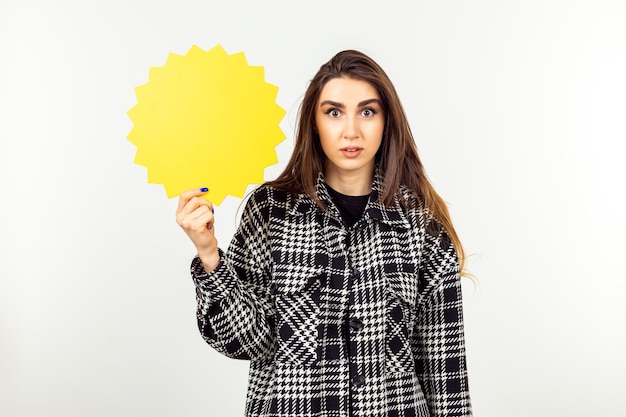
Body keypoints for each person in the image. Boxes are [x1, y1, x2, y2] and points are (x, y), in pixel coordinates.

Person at [176, 49, 472, 417]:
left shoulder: (420, 224)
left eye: (368, 111)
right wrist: (209, 255)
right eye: (334, 112)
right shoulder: (271, 211)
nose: (351, 130)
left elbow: (447, 375)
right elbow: (242, 340)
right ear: (314, 122)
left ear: (387, 121)